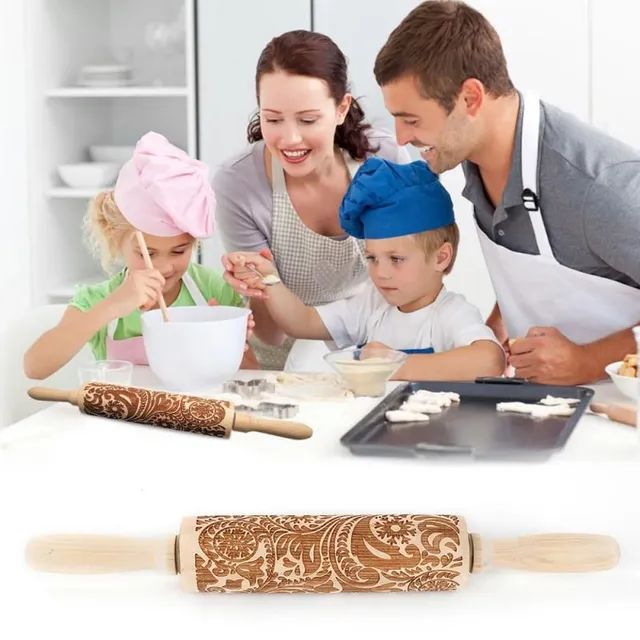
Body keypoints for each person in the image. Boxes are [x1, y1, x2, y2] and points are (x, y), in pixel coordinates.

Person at [373, 0, 640, 385]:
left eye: (411, 120)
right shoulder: (469, 154)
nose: (401, 138)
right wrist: (503, 316)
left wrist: (587, 360)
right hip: (553, 406)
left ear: (470, 99)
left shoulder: (598, 185)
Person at [215, 29, 411, 372]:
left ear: (341, 108)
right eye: (272, 119)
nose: (289, 138)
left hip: (379, 346)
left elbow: (416, 277)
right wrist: (258, 282)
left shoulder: (387, 160)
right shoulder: (239, 185)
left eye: (308, 120)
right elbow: (271, 334)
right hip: (285, 363)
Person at [223, 158, 505, 381]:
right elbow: (302, 321)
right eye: (372, 258)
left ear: (441, 257)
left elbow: (490, 361)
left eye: (396, 259)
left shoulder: (450, 314)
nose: (381, 273)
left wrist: (396, 365)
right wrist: (268, 278)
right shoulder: (371, 306)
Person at [24, 132, 258, 379]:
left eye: (179, 251)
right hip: (119, 418)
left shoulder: (214, 289)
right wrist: (112, 306)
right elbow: (34, 367)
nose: (164, 267)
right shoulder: (100, 299)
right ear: (115, 236)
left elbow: (253, 374)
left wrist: (222, 339)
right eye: (148, 253)